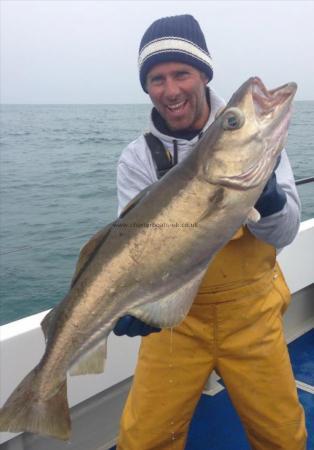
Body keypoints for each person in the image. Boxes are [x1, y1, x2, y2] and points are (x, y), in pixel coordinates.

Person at [113, 14, 307, 450]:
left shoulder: (253, 138)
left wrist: (271, 200)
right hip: (177, 325)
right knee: (141, 441)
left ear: (203, 74)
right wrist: (138, 301)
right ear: (147, 87)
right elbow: (133, 251)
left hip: (252, 314)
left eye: (181, 73)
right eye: (157, 78)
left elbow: (287, 232)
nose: (171, 89)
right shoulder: (136, 159)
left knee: (283, 437)